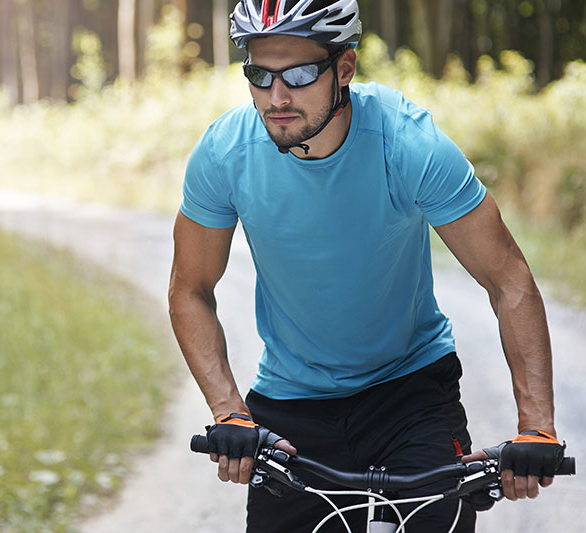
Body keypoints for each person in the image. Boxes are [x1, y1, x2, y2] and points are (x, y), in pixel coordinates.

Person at [167, 1, 565, 532]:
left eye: (300, 74)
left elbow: (508, 280)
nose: (277, 97)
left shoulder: (407, 143)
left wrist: (536, 427)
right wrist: (229, 412)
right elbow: (190, 288)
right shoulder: (225, 153)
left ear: (344, 69)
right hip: (291, 402)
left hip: (412, 391)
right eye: (260, 75)